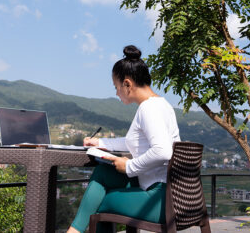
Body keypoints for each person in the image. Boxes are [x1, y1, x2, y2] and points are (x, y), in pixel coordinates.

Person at [67, 45, 180, 233]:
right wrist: (100, 143)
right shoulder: (161, 105)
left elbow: (163, 151)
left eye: (116, 87)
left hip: (160, 200)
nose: (116, 93)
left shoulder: (148, 109)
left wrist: (129, 167)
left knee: (101, 202)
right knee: (104, 174)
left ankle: (73, 231)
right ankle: (73, 231)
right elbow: (134, 141)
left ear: (127, 84)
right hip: (173, 195)